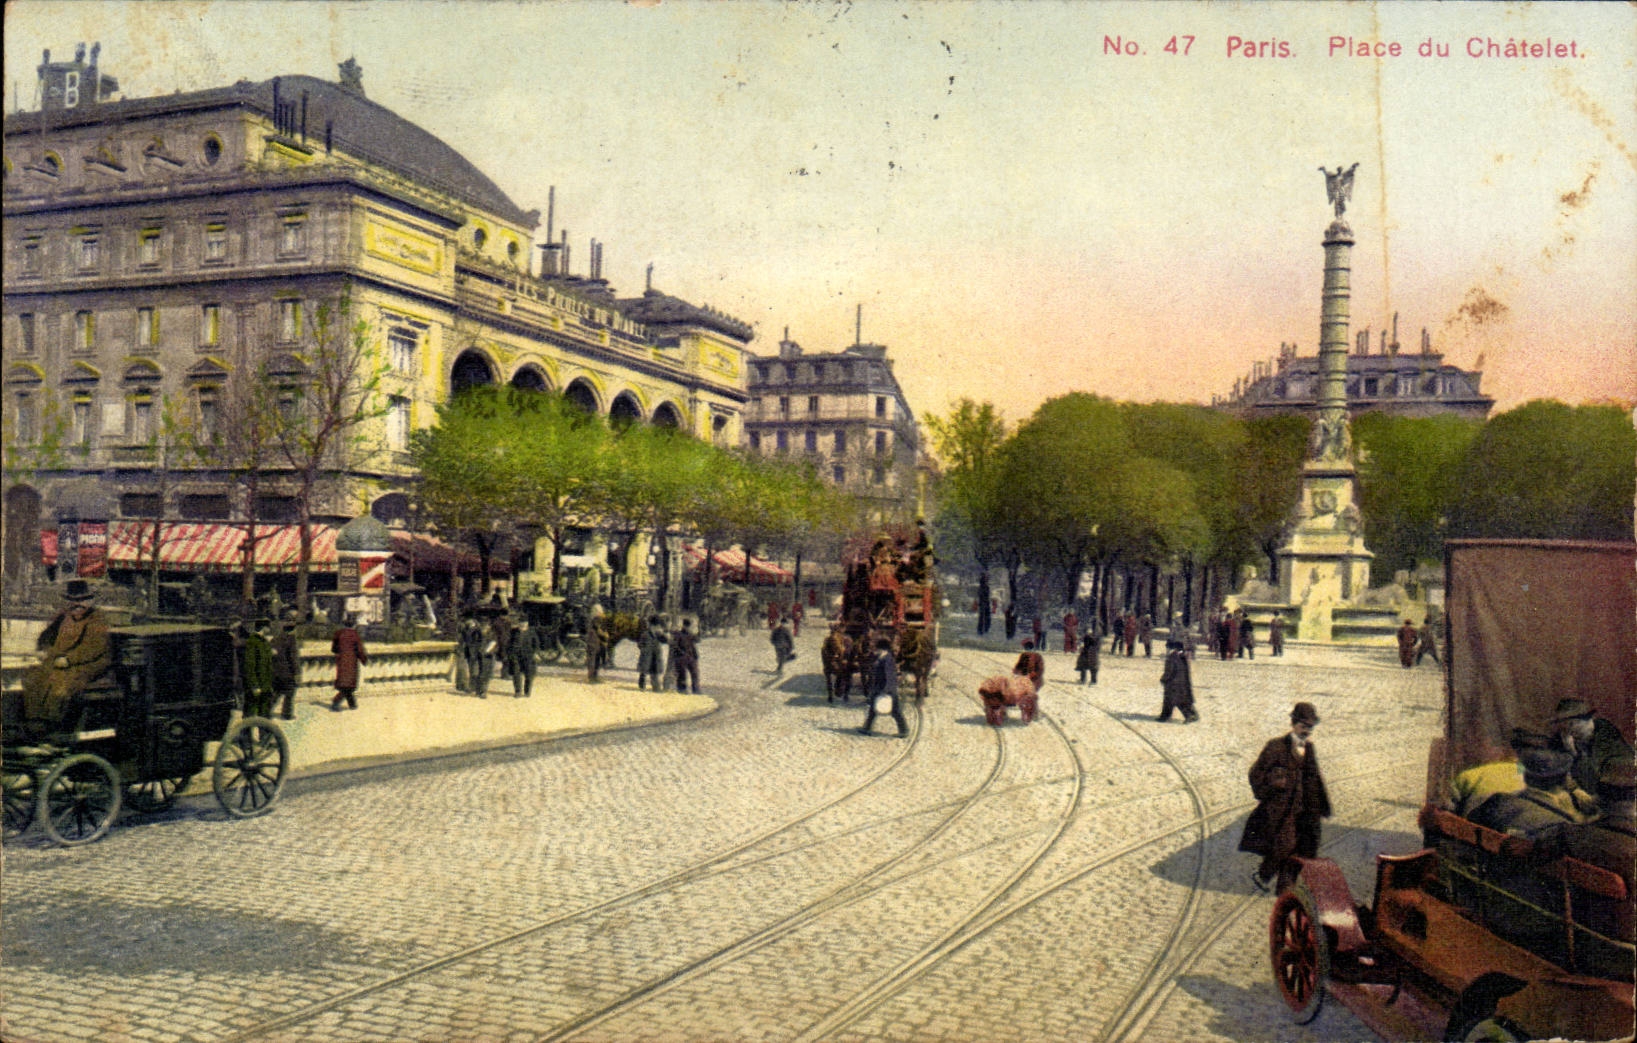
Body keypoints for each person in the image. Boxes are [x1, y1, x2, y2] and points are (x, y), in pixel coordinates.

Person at [1240, 702, 1332, 893]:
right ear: (1293, 724)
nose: (1306, 731)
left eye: (1310, 727)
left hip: (1305, 811)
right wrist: (1269, 791)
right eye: (1303, 726)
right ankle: (1264, 874)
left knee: (1300, 851)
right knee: (1285, 844)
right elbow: (1255, 773)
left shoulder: (1310, 749)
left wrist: (1322, 805)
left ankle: (1284, 891)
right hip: (1280, 811)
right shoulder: (1276, 747)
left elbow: (1315, 778)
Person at [22, 580, 113, 730]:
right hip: (59, 661)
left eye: (81, 600)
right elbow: (46, 637)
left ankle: (56, 727)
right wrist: (44, 650)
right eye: (73, 600)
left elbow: (93, 649)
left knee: (61, 685)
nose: (77, 605)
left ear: (88, 601)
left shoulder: (97, 619)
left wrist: (68, 659)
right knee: (33, 677)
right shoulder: (63, 617)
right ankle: (35, 721)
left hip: (88, 664)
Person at [1469, 745, 1599, 838]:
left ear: (1526, 777)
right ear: (1565, 779)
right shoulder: (1560, 826)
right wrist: (1574, 816)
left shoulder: (1497, 801)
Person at [1550, 697, 1635, 798]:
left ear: (1587, 719)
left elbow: (1594, 785)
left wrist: (1574, 753)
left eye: (1571, 723)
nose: (1567, 729)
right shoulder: (1561, 739)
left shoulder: (1609, 741)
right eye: (1562, 724)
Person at [858, 637, 908, 738]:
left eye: (877, 648)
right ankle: (866, 728)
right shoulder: (882, 657)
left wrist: (886, 690)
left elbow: (889, 676)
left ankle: (904, 730)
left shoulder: (887, 659)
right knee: (873, 709)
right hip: (880, 688)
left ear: (882, 649)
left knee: (895, 711)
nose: (876, 650)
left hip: (887, 689)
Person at [330, 615, 368, 711]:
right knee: (348, 684)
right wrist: (364, 660)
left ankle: (352, 704)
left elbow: (334, 649)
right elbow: (360, 650)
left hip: (341, 660)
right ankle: (336, 702)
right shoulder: (355, 635)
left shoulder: (338, 634)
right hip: (351, 661)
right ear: (354, 625)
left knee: (344, 682)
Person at [240, 619, 275, 719]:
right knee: (250, 713)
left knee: (265, 714)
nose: (270, 629)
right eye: (268, 627)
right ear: (264, 627)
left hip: (265, 685)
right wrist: (254, 685)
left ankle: (265, 734)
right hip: (256, 686)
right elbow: (250, 665)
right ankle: (245, 734)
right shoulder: (253, 642)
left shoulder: (264, 641)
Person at [1156, 638, 1197, 723]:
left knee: (1176, 701)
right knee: (1177, 700)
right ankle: (1165, 716)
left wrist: (1163, 679)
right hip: (1182, 682)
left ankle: (1188, 716)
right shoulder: (1183, 657)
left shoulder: (1172, 657)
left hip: (1173, 683)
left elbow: (1169, 671)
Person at [270, 616, 300, 720]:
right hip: (287, 672)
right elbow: (293, 658)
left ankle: (266, 710)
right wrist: (297, 673)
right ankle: (287, 714)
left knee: (276, 693)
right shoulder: (292, 639)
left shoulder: (276, 638)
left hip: (276, 671)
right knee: (290, 693)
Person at [506, 618, 538, 697]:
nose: (523, 624)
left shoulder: (531, 632)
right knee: (516, 674)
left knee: (529, 675)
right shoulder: (513, 631)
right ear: (518, 623)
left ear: (527, 623)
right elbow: (508, 642)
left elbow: (536, 644)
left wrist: (535, 653)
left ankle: (527, 691)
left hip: (528, 656)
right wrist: (509, 654)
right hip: (516, 656)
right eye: (521, 623)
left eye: (524, 623)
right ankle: (518, 691)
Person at [822, 622, 853, 703]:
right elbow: (841, 651)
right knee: (848, 674)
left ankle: (837, 694)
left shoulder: (829, 639)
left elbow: (824, 652)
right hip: (835, 663)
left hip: (832, 663)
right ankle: (845, 695)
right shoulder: (838, 639)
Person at [636, 614, 667, 691]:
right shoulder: (645, 634)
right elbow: (640, 644)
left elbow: (665, 640)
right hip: (647, 656)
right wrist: (644, 649)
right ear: (651, 626)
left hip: (656, 656)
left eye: (657, 627)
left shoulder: (659, 634)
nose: (656, 628)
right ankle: (642, 687)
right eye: (655, 626)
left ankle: (656, 687)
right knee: (643, 673)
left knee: (655, 672)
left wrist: (663, 634)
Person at [671, 618, 700, 694]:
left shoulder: (691, 634)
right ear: (684, 626)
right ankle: (682, 690)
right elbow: (675, 645)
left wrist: (698, 631)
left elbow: (698, 639)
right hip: (681, 657)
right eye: (690, 627)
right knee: (682, 675)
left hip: (691, 657)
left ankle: (696, 690)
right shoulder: (679, 634)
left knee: (695, 674)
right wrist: (681, 653)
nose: (690, 628)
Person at [585, 610, 605, 684]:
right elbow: (590, 641)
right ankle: (591, 678)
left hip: (597, 649)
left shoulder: (597, 630)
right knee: (591, 664)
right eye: (598, 623)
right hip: (592, 649)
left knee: (596, 664)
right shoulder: (592, 630)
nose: (599, 625)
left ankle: (595, 677)